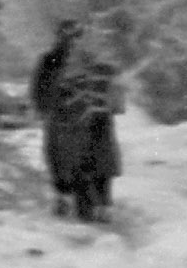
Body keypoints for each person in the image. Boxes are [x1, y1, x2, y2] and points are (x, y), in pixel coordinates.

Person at [31, 18, 122, 221]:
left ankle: (93, 203)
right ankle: (69, 198)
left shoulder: (83, 60)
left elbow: (109, 91)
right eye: (70, 36)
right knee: (71, 159)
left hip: (85, 120)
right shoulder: (52, 60)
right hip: (67, 119)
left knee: (85, 160)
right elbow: (40, 90)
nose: (72, 40)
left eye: (76, 36)